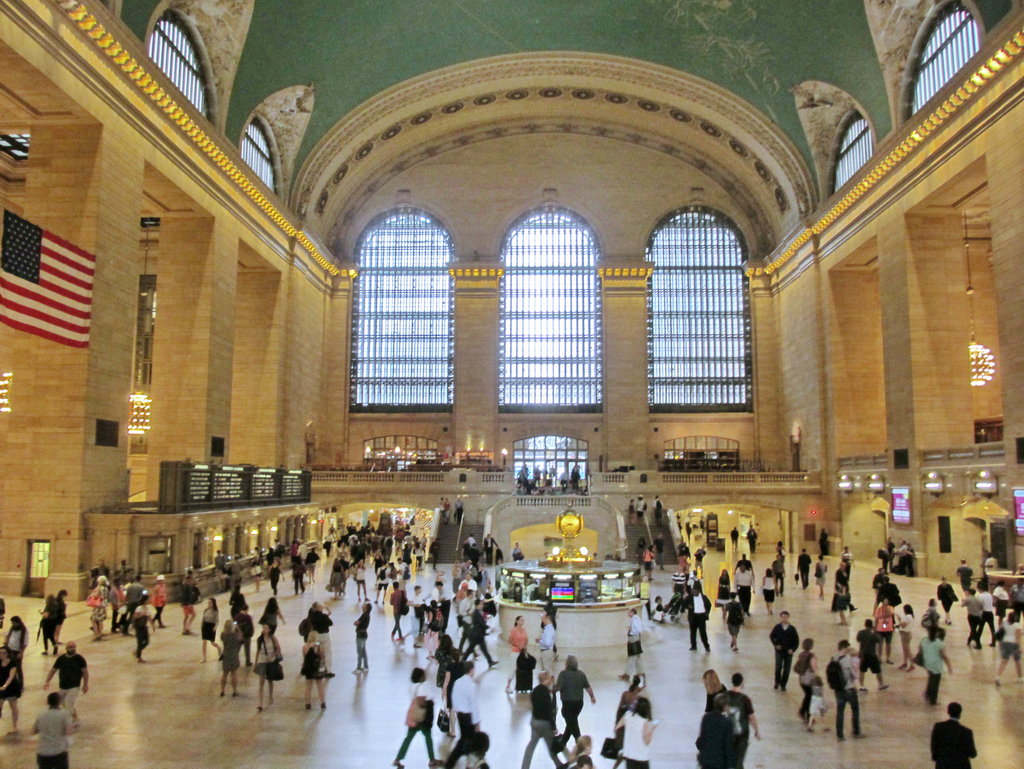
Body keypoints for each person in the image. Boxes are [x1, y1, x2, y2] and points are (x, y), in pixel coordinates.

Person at [394, 667, 442, 768]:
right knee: (428, 737)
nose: (425, 676)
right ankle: (432, 759)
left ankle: (398, 759)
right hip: (421, 717)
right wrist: (429, 704)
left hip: (413, 715)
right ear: (420, 677)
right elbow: (420, 701)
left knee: (408, 738)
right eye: (423, 675)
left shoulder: (412, 686)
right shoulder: (422, 687)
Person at [520, 670, 566, 769]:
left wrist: (553, 685)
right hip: (544, 724)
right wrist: (553, 727)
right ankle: (559, 765)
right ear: (545, 679)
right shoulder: (546, 693)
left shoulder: (535, 691)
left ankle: (524, 767)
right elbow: (550, 711)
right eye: (549, 677)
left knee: (531, 746)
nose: (551, 678)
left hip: (534, 721)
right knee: (551, 746)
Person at [446, 660, 482, 769]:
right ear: (472, 670)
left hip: (460, 715)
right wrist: (477, 723)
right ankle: (454, 763)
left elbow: (453, 697)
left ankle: (459, 763)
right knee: (467, 742)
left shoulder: (457, 682)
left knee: (465, 740)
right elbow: (474, 704)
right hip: (469, 716)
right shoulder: (471, 685)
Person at [554, 655, 596, 747]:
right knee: (572, 722)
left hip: (567, 704)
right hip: (579, 704)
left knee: (571, 722)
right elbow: (588, 687)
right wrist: (592, 697)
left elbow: (558, 687)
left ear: (566, 664)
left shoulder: (563, 674)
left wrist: (550, 688)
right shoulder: (581, 674)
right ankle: (563, 741)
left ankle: (580, 743)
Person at [720, 673, 759, 769]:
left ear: (732, 682)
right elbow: (751, 717)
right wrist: (757, 730)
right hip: (742, 735)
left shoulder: (723, 697)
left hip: (727, 734)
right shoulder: (745, 699)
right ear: (742, 683)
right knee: (738, 762)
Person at [42, 641, 88, 722]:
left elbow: (85, 672)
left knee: (69, 704)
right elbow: (53, 670)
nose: (72, 648)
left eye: (73, 647)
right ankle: (75, 717)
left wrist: (85, 685)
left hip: (74, 686)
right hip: (63, 686)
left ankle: (66, 722)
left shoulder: (80, 659)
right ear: (66, 648)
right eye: (70, 647)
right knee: (64, 704)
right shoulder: (61, 659)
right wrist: (47, 681)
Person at [33, 691, 74, 769]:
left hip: (43, 752)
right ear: (59, 702)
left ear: (47, 702)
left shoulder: (41, 715)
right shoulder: (64, 714)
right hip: (59, 751)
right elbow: (68, 732)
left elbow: (34, 731)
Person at [930, 702, 976, 769]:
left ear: (948, 712)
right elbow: (972, 753)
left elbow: (934, 745)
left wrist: (936, 758)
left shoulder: (939, 727)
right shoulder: (966, 732)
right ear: (960, 714)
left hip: (943, 764)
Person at [615, 695, 656, 769]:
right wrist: (652, 728)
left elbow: (618, 727)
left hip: (629, 755)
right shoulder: (644, 722)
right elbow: (646, 741)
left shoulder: (627, 715)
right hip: (642, 757)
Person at [695, 695, 735, 769]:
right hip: (719, 761)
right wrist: (730, 764)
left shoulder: (706, 718)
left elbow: (702, 738)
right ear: (725, 706)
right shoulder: (727, 722)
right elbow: (728, 745)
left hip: (706, 759)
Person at [831, 640, 860, 740]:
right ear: (845, 648)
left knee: (840, 711)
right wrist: (858, 687)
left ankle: (840, 734)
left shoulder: (833, 659)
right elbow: (854, 675)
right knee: (855, 709)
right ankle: (856, 730)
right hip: (848, 689)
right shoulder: (848, 660)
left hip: (837, 690)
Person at [920, 625, 952, 706]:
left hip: (927, 663)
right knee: (935, 682)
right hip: (936, 665)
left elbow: (920, 650)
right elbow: (944, 656)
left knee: (931, 678)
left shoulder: (924, 641)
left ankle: (927, 693)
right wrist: (949, 666)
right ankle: (933, 699)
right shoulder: (939, 644)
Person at [253, 623, 282, 712]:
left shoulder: (273, 638)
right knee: (261, 682)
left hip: (271, 662)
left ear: (269, 630)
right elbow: (258, 651)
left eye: (266, 628)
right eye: (263, 628)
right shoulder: (260, 639)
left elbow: (278, 649)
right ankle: (260, 703)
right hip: (262, 661)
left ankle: (270, 697)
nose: (264, 629)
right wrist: (255, 662)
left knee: (270, 680)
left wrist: (272, 656)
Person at [769, 611, 799, 690]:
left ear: (788, 617)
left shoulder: (792, 629)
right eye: (783, 617)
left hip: (788, 652)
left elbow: (796, 641)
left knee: (787, 669)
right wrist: (776, 645)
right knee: (778, 667)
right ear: (781, 617)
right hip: (779, 651)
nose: (784, 618)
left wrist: (793, 649)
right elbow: (772, 636)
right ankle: (777, 682)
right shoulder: (777, 627)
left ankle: (783, 684)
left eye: (786, 617)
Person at [855, 619, 888, 691]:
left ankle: (862, 686)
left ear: (865, 625)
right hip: (872, 654)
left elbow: (858, 639)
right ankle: (881, 684)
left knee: (862, 670)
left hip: (863, 654)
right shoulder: (873, 634)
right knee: (878, 670)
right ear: (872, 626)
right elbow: (879, 641)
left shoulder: (860, 632)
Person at [993, 609, 1022, 686]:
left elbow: (1000, 631)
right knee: (1017, 661)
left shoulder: (1004, 623)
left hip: (1004, 642)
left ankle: (998, 676)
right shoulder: (1017, 626)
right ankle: (1020, 677)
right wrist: (1020, 647)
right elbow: (1017, 637)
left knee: (1004, 661)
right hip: (1013, 644)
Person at [301, 630, 327, 709]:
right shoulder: (318, 646)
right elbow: (322, 656)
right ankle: (322, 702)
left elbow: (305, 657)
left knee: (308, 686)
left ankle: (307, 703)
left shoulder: (305, 647)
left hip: (308, 668)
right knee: (320, 686)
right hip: (316, 668)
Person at [794, 638, 818, 722]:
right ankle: (807, 715)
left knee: (808, 695)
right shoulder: (811, 655)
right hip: (809, 678)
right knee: (810, 697)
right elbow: (814, 668)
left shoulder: (801, 654)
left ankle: (802, 711)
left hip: (802, 678)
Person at [0, 644, 23, 731]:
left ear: (7, 654)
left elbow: (11, 676)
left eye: (4, 653)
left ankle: (14, 725)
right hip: (1, 687)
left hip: (11, 687)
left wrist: (5, 686)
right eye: (0, 653)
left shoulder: (12, 662)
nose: (1, 654)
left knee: (13, 706)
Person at [620, 607, 645, 683]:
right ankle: (641, 671)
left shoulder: (635, 619)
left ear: (632, 612)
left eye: (629, 612)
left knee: (632, 657)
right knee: (637, 657)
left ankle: (627, 674)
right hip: (634, 639)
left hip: (634, 639)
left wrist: (631, 629)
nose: (628, 613)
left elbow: (638, 629)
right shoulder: (634, 619)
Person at [688, 584, 712, 652]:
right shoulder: (690, 597)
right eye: (693, 590)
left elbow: (709, 605)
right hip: (693, 617)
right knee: (693, 632)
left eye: (695, 590)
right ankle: (693, 646)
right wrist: (688, 607)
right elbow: (685, 603)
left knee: (703, 633)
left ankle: (707, 646)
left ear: (698, 591)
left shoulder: (704, 597)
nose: (693, 592)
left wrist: (707, 612)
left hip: (701, 617)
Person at [132, 593, 153, 662]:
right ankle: (139, 657)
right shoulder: (139, 608)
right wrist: (141, 615)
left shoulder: (147, 608)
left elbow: (149, 617)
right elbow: (135, 617)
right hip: (139, 627)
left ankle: (138, 650)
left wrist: (152, 625)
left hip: (144, 626)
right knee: (140, 642)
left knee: (146, 641)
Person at [200, 598, 222, 662]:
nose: (209, 604)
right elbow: (203, 618)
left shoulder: (215, 611)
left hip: (211, 627)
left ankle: (219, 648)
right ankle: (204, 657)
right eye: (208, 603)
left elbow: (217, 620)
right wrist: (201, 625)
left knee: (212, 642)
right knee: (204, 642)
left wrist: (215, 627)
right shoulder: (206, 610)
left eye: (210, 602)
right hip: (205, 626)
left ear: (213, 603)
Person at [897, 604, 917, 671]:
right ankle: (905, 663)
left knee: (907, 650)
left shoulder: (907, 617)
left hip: (905, 634)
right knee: (906, 650)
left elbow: (903, 625)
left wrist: (899, 620)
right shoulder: (910, 616)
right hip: (907, 634)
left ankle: (911, 664)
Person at [353, 601, 371, 672]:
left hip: (360, 635)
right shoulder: (366, 615)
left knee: (360, 652)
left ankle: (359, 668)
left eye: (364, 605)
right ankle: (365, 666)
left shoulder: (364, 615)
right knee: (363, 651)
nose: (362, 606)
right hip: (364, 634)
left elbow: (357, 623)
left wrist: (355, 622)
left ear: (366, 608)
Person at [180, 571, 200, 635]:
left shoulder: (190, 584)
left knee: (193, 615)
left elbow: (195, 585)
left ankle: (188, 628)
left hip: (189, 603)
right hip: (186, 603)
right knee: (186, 616)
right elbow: (185, 595)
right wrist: (187, 603)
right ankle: (185, 629)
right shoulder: (186, 585)